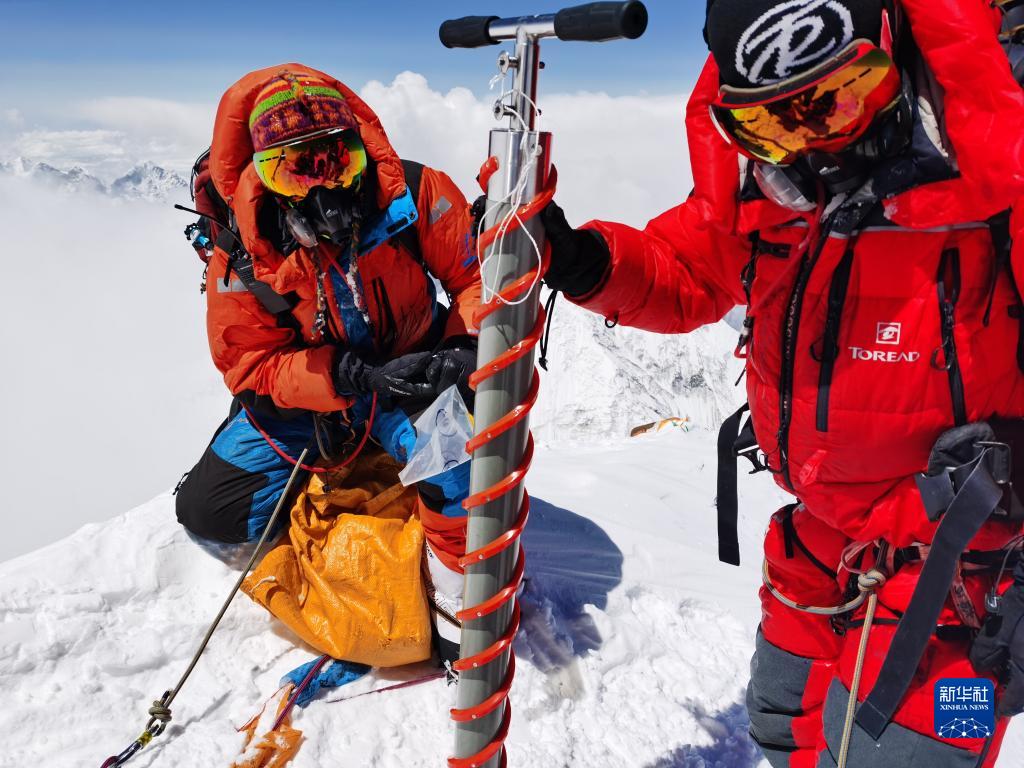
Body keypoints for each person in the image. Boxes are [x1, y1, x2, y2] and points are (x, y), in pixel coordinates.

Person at [539, 1, 1024, 765]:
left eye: (840, 96)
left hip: (960, 580)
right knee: (783, 724)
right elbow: (690, 269)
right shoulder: (772, 194)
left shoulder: (1001, 185)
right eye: (773, 124)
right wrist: (587, 263)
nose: (818, 141)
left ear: (892, 61)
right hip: (819, 548)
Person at [174, 63, 479, 663]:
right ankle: (336, 533)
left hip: (415, 368)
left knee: (455, 458)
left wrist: (462, 351)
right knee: (211, 513)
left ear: (361, 151)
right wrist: (340, 377)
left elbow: (480, 279)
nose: (323, 185)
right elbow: (253, 366)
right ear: (263, 173)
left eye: (337, 159)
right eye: (294, 167)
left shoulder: (414, 195)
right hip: (314, 402)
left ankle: (456, 605)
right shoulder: (242, 254)